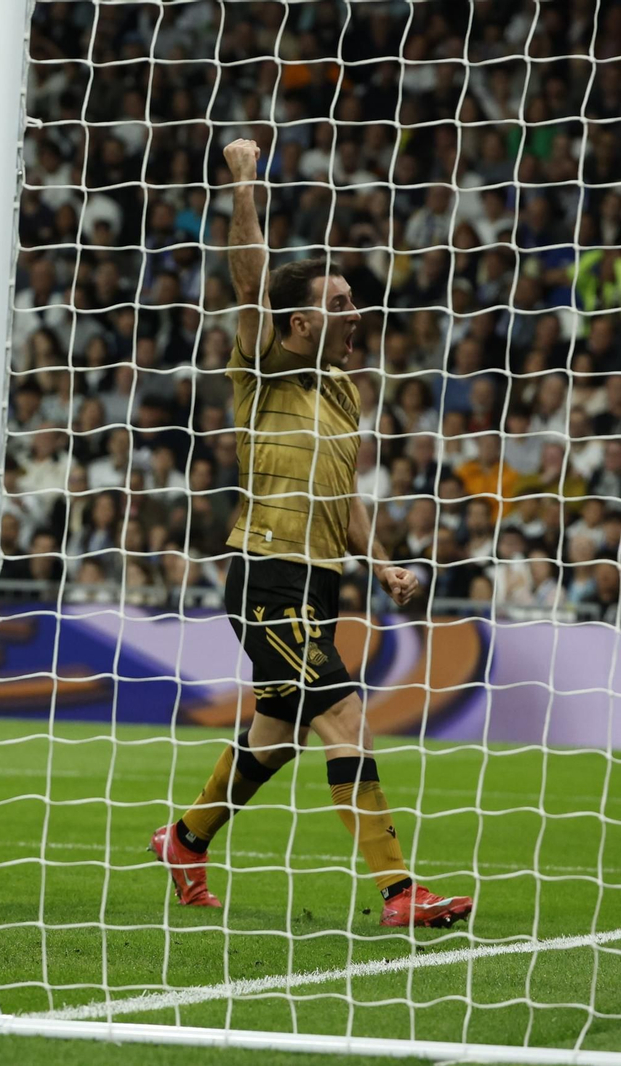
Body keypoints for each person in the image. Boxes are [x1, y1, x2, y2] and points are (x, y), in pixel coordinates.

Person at [149, 138, 473, 930]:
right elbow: (252, 279)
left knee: (280, 733)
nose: (354, 310)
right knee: (344, 717)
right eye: (337, 302)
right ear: (298, 321)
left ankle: (186, 840)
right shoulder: (261, 364)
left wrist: (384, 564)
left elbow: (344, 493)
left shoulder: (347, 391)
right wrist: (244, 182)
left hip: (320, 579)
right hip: (268, 572)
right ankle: (401, 892)